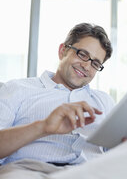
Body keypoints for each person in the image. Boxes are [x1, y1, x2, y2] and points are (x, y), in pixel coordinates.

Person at [0, 23, 115, 170]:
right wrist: (43, 126)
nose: (86, 66)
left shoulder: (105, 102)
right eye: (83, 54)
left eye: (95, 63)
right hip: (32, 171)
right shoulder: (17, 89)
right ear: (63, 51)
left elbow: (121, 157)